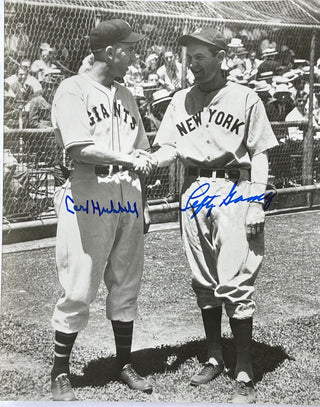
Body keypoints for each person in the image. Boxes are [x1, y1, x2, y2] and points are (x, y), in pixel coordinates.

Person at [147, 26, 278, 404]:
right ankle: (214, 356)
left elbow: (260, 153)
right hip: (194, 191)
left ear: (221, 59)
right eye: (190, 60)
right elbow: (169, 148)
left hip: (233, 189)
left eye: (200, 59)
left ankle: (243, 364)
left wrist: (256, 201)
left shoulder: (245, 98)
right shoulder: (180, 100)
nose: (193, 68)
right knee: (202, 278)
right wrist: (146, 161)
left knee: (236, 278)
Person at [50, 19, 154, 401]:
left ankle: (123, 363)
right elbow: (78, 147)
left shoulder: (126, 94)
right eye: (130, 48)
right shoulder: (72, 89)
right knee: (80, 285)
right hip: (88, 187)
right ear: (110, 52)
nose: (136, 54)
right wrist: (129, 160)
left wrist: (142, 202)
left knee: (126, 282)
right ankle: (60, 372)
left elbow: (140, 148)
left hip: (127, 192)